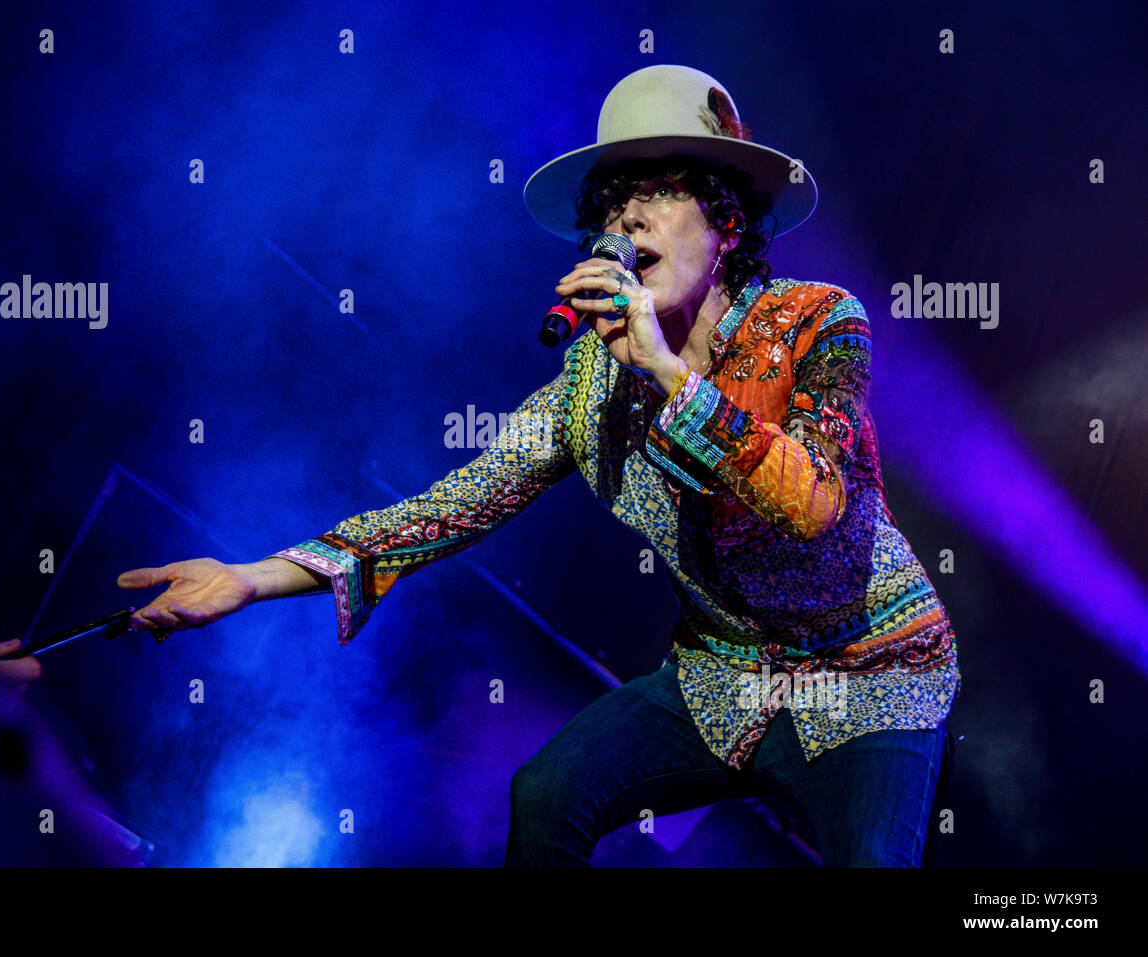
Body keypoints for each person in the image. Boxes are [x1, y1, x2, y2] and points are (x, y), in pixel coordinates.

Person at [117, 65, 961, 867]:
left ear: (727, 219)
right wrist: (251, 577)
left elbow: (812, 502)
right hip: (726, 677)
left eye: (661, 192)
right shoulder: (589, 388)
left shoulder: (820, 322)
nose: (628, 222)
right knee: (547, 792)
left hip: (870, 672)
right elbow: (448, 508)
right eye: (615, 205)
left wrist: (669, 373)